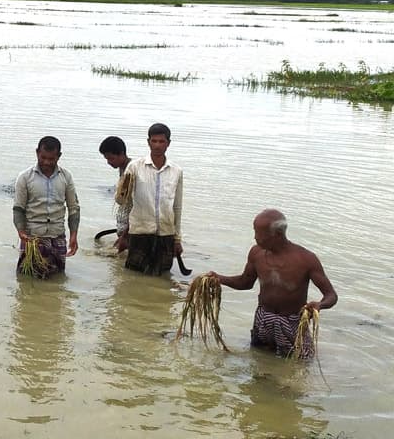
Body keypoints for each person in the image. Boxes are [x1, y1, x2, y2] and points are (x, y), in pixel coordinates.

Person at [208, 209, 338, 358]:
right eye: (255, 232)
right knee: (259, 358)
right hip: (263, 318)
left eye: (259, 233)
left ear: (276, 235)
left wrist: (319, 305)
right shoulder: (256, 253)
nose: (255, 237)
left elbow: (331, 295)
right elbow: (245, 282)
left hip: (292, 321)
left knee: (299, 362)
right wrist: (219, 279)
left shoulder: (306, 259)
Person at [116, 123, 183, 274]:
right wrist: (122, 189)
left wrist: (177, 239)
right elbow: (121, 202)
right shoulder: (135, 167)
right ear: (148, 142)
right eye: (154, 141)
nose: (157, 145)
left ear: (168, 143)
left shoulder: (176, 171)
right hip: (140, 233)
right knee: (134, 277)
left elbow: (177, 207)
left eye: (161, 141)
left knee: (162, 275)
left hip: (166, 234)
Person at [12, 136, 80, 277]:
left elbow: (73, 208)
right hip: (33, 237)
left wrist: (74, 235)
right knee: (28, 279)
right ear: (37, 153)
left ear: (59, 156)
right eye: (43, 158)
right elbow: (18, 208)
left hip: (57, 236)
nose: (46, 162)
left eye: (51, 159)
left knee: (57, 277)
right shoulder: (24, 177)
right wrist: (21, 231)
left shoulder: (66, 177)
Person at [99, 136, 132, 240]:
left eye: (111, 158)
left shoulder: (130, 171)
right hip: (125, 226)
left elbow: (137, 207)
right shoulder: (122, 168)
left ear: (122, 154)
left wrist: (125, 235)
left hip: (132, 229)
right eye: (106, 159)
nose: (108, 162)